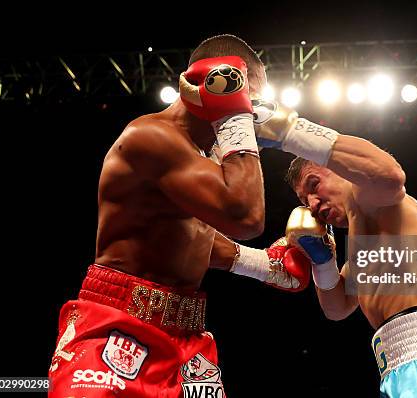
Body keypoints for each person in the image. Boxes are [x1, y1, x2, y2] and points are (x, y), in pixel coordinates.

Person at [48, 34, 311, 398]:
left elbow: (189, 234)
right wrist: (234, 120)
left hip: (188, 341)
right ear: (219, 84)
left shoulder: (198, 159)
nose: (253, 113)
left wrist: (265, 266)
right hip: (117, 326)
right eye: (250, 99)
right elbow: (246, 216)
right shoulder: (151, 137)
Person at [241, 98, 417, 397]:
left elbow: (390, 175)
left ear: (338, 169)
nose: (312, 205)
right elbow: (336, 309)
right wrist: (323, 260)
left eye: (314, 186)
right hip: (411, 369)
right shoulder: (367, 245)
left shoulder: (372, 198)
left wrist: (289, 131)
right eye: (303, 201)